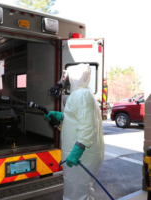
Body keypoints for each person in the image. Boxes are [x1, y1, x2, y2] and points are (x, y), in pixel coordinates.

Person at [45, 63, 105, 200]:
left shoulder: (82, 95)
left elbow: (86, 127)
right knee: (80, 191)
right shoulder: (81, 94)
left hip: (81, 155)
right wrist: (62, 116)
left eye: (66, 75)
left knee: (76, 194)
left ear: (74, 77)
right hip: (81, 154)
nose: (63, 79)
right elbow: (80, 118)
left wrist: (76, 153)